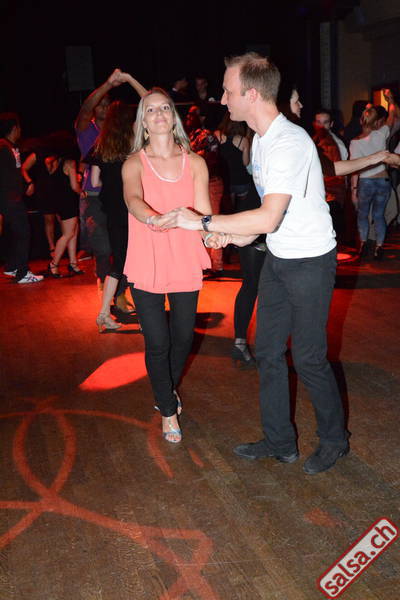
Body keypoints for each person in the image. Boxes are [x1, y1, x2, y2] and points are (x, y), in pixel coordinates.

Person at [170, 52, 350, 474]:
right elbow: (269, 222)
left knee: (308, 358)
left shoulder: (288, 142)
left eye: (228, 91)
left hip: (310, 262)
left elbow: (268, 217)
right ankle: (280, 441)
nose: (222, 99)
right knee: (268, 351)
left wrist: (204, 221)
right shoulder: (263, 140)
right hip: (280, 258)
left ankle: (335, 441)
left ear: (251, 94)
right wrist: (231, 235)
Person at [122, 88, 225, 443]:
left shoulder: (194, 162)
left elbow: (203, 212)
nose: (160, 114)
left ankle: (166, 388)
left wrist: (213, 235)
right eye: (151, 110)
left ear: (173, 116)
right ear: (143, 122)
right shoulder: (134, 163)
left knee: (182, 338)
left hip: (183, 255)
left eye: (165, 108)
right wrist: (153, 219)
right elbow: (133, 199)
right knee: (157, 341)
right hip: (147, 256)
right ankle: (167, 409)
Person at [215, 113, 264, 367]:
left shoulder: (241, 139)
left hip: (250, 209)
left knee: (253, 284)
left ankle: (244, 343)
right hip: (258, 216)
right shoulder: (254, 141)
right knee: (256, 284)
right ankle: (244, 343)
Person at [90, 100, 136, 331]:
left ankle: (104, 313)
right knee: (134, 260)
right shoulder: (134, 145)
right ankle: (142, 311)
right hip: (133, 208)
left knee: (118, 260)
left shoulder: (101, 145)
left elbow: (94, 181)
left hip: (112, 210)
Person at [0, 112, 43, 283]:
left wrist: (25, 186)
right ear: (14, 128)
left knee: (17, 233)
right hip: (9, 198)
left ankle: (12, 267)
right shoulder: (3, 147)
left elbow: (14, 172)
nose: (21, 130)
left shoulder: (10, 147)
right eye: (19, 127)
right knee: (23, 233)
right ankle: (22, 273)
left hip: (12, 197)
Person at [350, 106, 391, 259]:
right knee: (379, 215)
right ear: (377, 122)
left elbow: (354, 168)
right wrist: (391, 102)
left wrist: (354, 190)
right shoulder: (381, 134)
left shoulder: (355, 143)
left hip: (366, 182)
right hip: (383, 180)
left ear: (361, 121)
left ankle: (363, 244)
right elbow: (392, 118)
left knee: (362, 215)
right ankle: (379, 247)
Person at [43, 153, 82, 277]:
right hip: (68, 201)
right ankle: (53, 264)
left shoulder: (54, 162)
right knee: (69, 234)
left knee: (73, 233)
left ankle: (73, 264)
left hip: (59, 201)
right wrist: (82, 192)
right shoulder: (70, 163)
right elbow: (74, 186)